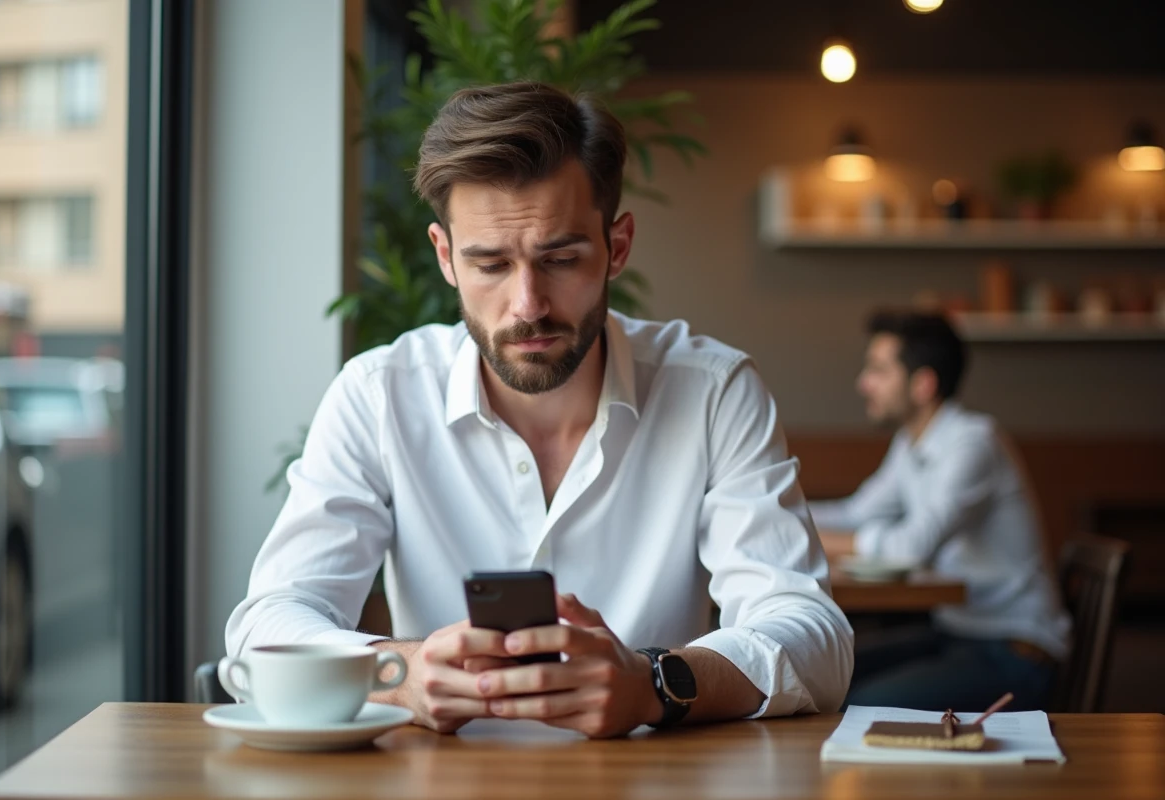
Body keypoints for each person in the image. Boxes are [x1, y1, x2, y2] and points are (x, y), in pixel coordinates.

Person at [226, 82, 852, 738]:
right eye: (490, 264)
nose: (528, 304)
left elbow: (815, 639)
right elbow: (268, 620)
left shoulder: (713, 391)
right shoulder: (379, 395)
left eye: (560, 258)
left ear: (618, 245)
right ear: (445, 256)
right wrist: (399, 673)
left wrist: (653, 684)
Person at [812, 311, 1070, 711]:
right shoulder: (911, 443)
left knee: (860, 702)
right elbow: (856, 513)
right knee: (822, 677)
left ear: (923, 384)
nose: (864, 383)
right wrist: (782, 515)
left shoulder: (973, 443)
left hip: (1015, 650)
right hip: (956, 633)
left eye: (879, 370)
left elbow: (911, 549)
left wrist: (809, 537)